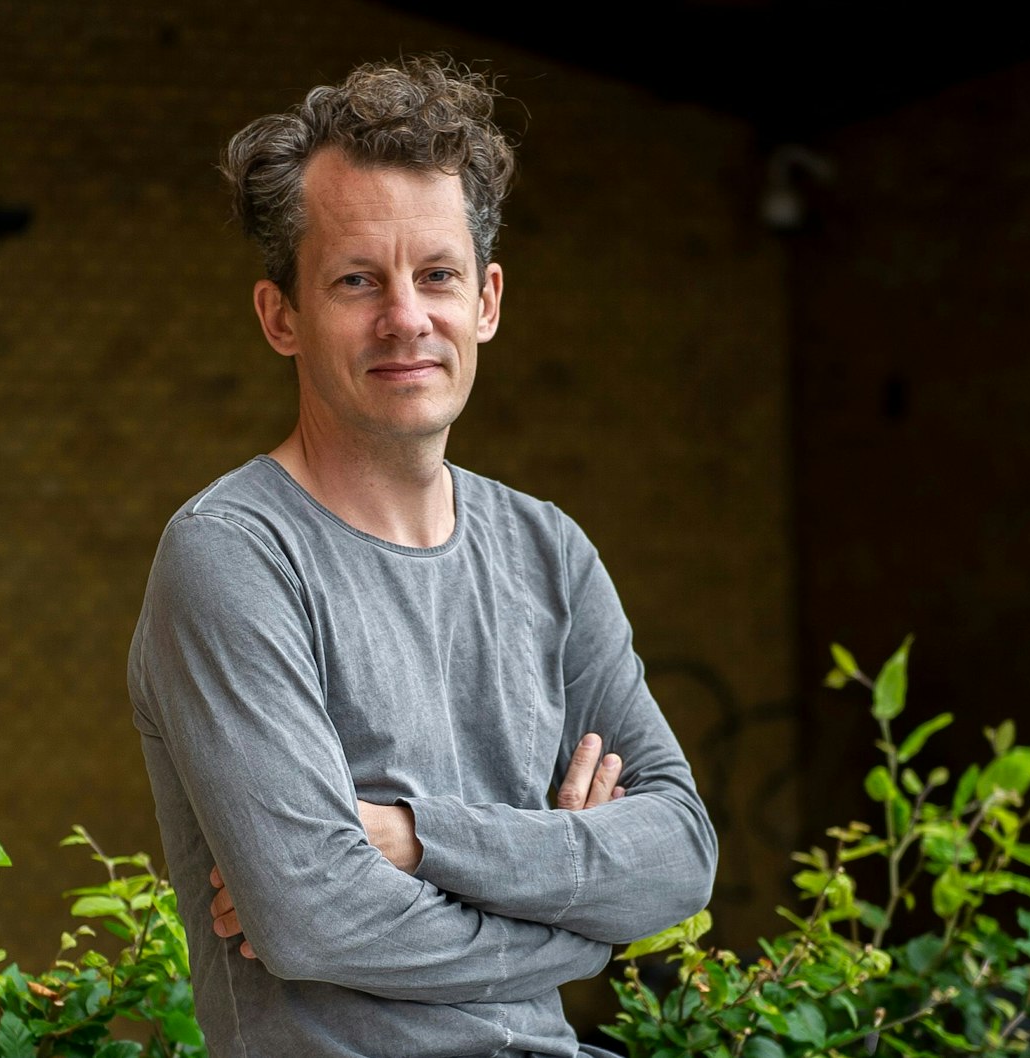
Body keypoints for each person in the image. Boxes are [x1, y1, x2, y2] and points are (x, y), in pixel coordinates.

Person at [127, 55, 717, 1058]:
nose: (406, 317)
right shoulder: (233, 556)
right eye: (357, 279)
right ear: (281, 315)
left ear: (484, 299)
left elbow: (679, 855)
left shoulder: (547, 550)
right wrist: (580, 924)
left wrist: (411, 838)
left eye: (435, 274)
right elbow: (316, 914)